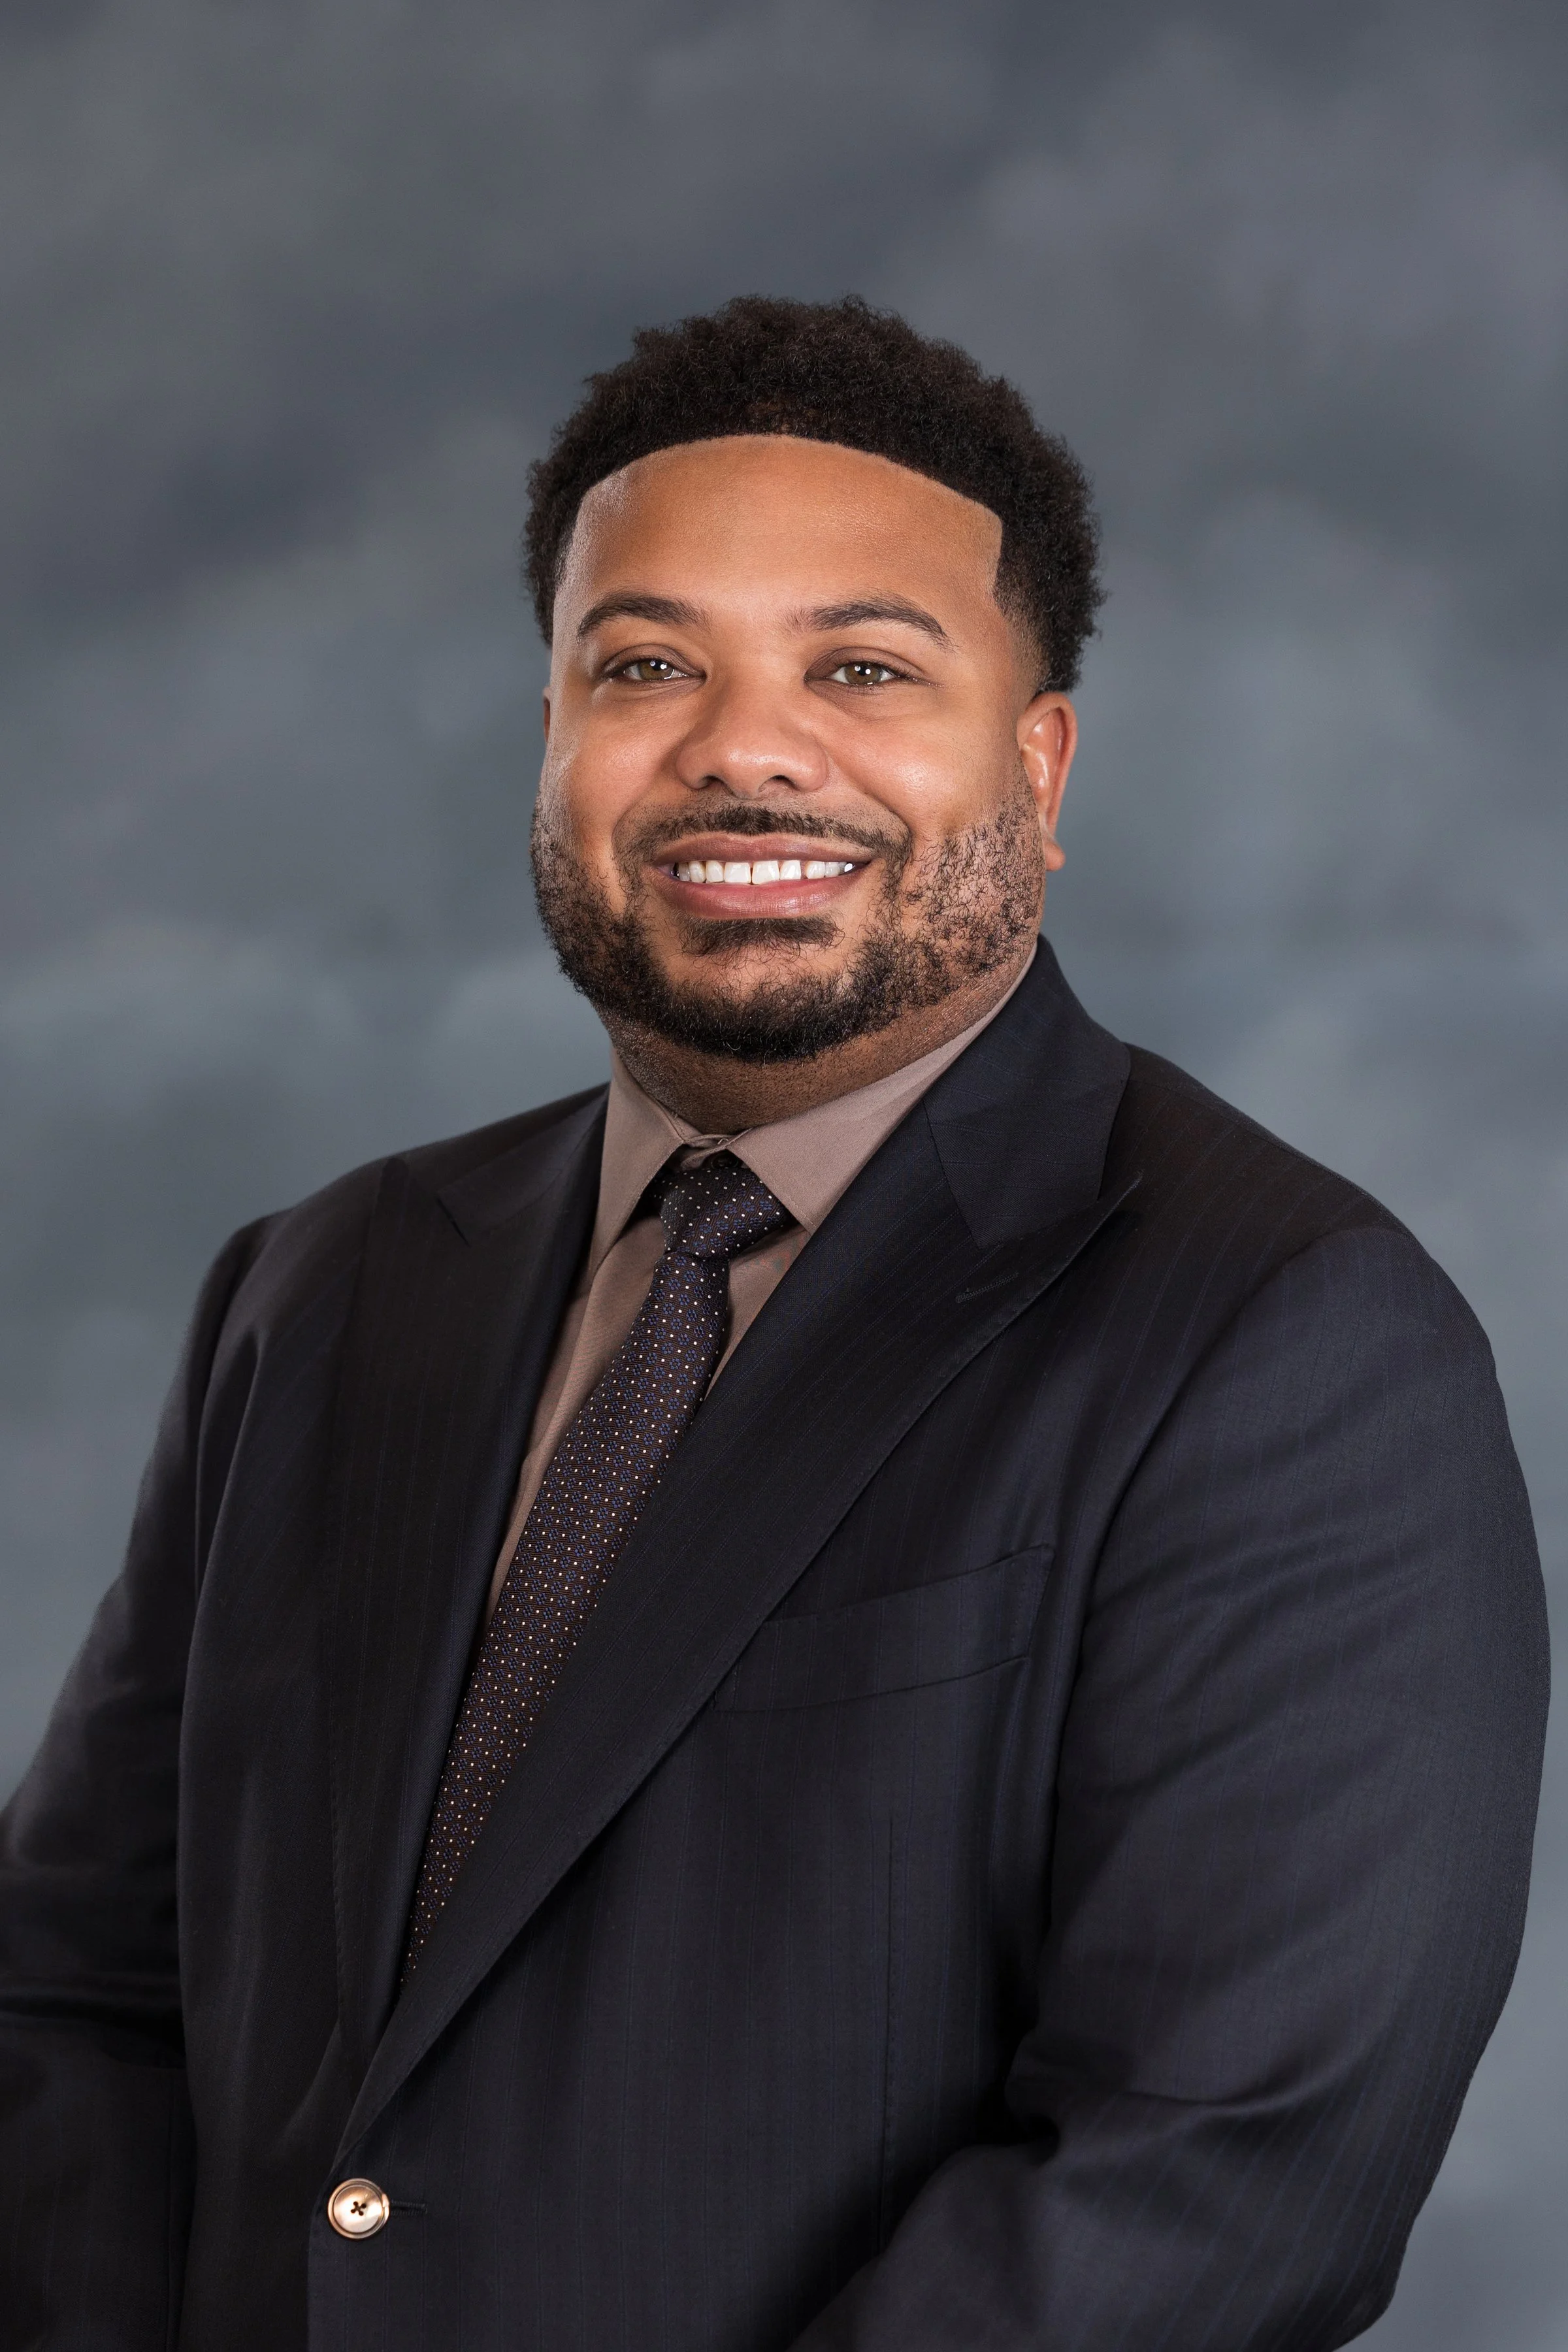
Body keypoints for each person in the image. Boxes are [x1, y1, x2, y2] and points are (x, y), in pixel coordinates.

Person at [0, 295, 1546, 2352]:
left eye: (863, 667)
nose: (743, 749)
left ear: (1039, 763)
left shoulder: (1288, 1334)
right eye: (645, 665)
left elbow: (1216, 2174)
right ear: (554, 735)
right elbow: (77, 1997)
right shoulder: (327, 1280)